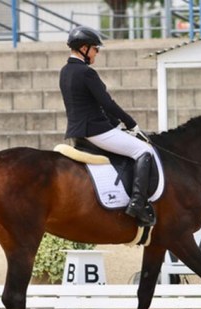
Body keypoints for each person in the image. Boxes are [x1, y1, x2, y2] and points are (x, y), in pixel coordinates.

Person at [59, 26, 156, 226]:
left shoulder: (65, 71)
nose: (97, 52)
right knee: (144, 151)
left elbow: (88, 105)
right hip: (95, 131)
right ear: (84, 48)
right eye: (95, 48)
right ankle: (137, 203)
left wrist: (115, 125)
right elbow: (107, 103)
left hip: (78, 132)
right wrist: (131, 123)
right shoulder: (86, 72)